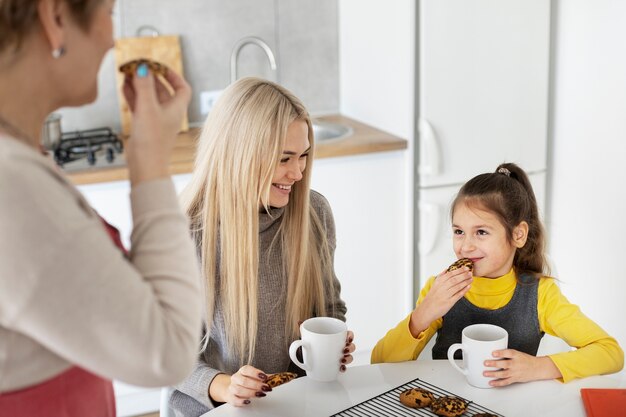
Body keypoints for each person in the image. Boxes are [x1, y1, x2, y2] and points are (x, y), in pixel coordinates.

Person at [0, 0, 202, 415]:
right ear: (56, 17)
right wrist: (150, 162)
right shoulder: (14, 188)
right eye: (109, 13)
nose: (113, 38)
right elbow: (168, 349)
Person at [171, 77, 355, 415]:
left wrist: (333, 339)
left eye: (303, 156)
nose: (298, 173)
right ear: (239, 155)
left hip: (297, 401)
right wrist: (224, 385)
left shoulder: (314, 213)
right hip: (212, 408)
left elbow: (329, 306)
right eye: (284, 159)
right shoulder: (186, 231)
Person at [371, 162, 624, 386]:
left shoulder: (541, 295)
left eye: (481, 232)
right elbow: (379, 361)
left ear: (518, 234)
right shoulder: (439, 289)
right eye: (459, 231)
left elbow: (610, 352)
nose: (465, 246)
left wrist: (537, 367)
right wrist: (424, 313)